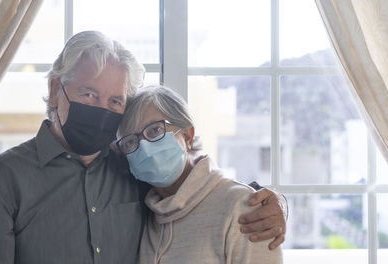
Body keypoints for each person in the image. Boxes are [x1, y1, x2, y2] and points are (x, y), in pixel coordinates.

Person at [0, 31, 286, 264]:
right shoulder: (6, 177)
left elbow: (192, 191)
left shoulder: (130, 167)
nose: (101, 110)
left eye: (115, 101)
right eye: (88, 94)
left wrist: (273, 203)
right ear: (54, 90)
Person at [116, 85, 283, 263]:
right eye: (131, 142)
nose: (145, 148)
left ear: (188, 136)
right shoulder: (147, 215)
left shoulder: (242, 207)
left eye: (155, 130)